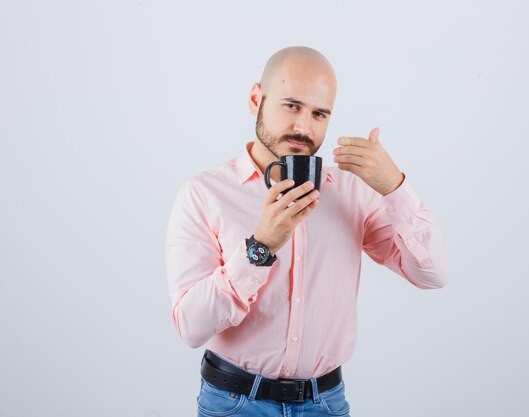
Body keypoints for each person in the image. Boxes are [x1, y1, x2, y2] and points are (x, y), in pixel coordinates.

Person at [165, 45, 448, 417]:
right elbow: (191, 327)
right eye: (291, 106)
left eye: (319, 114)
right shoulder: (204, 194)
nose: (303, 127)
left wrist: (395, 187)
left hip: (326, 404)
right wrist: (260, 247)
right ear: (256, 99)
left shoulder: (352, 192)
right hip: (233, 404)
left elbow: (431, 274)